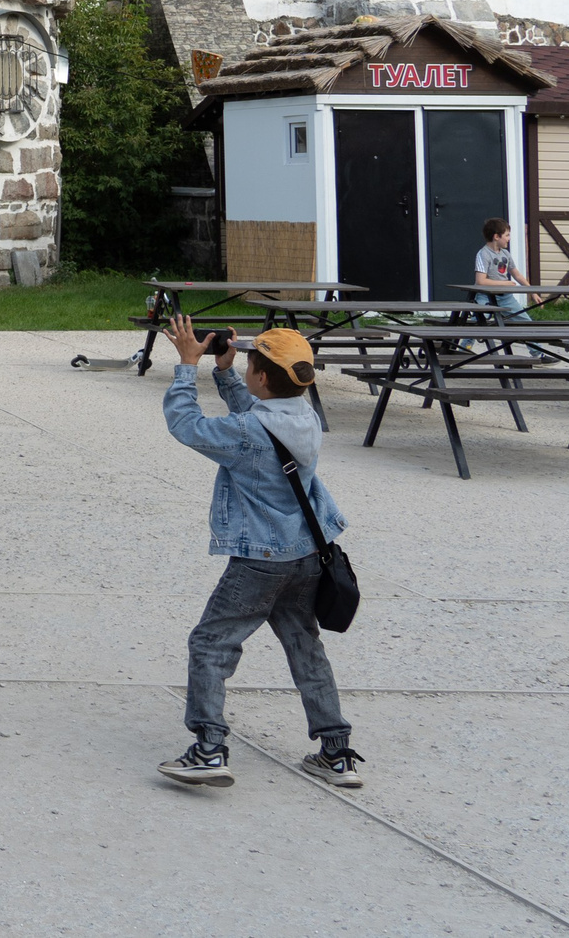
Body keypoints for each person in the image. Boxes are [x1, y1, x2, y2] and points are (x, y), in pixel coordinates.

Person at [157, 317, 361, 791]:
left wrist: (188, 366)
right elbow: (258, 417)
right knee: (305, 647)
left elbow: (187, 426)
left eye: (250, 364)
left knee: (211, 644)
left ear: (263, 377)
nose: (247, 369)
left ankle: (208, 750)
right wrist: (226, 373)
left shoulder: (249, 432)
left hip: (260, 561)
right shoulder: (305, 417)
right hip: (307, 554)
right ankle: (336, 751)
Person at [474, 219, 530, 321]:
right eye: (507, 235)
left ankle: (517, 337)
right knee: (479, 322)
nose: (509, 238)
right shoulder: (483, 254)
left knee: (526, 322)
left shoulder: (505, 254)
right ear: (496, 236)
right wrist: (504, 284)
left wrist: (532, 291)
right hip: (485, 296)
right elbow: (480, 281)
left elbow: (516, 274)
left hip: (505, 297)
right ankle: (467, 337)